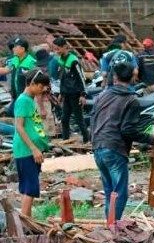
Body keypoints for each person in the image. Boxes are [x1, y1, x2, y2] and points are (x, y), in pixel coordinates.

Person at [91, 61, 154, 220]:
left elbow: (92, 120)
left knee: (109, 192)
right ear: (133, 76)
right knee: (119, 193)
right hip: (114, 148)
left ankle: (109, 226)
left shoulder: (101, 95)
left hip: (98, 146)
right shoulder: (131, 100)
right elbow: (128, 130)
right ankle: (113, 228)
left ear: (115, 77)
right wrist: (152, 139)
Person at [13, 70, 50, 217]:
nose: (44, 89)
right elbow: (19, 126)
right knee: (31, 187)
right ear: (32, 84)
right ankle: (24, 223)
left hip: (30, 149)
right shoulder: (22, 100)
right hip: (26, 150)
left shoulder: (30, 99)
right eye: (41, 86)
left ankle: (28, 223)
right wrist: (34, 148)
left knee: (29, 188)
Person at [52, 37, 88, 142]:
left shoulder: (73, 60)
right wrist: (61, 93)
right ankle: (65, 139)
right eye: (55, 49)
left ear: (65, 47)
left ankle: (86, 139)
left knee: (79, 118)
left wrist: (83, 94)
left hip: (76, 94)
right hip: (66, 94)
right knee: (64, 119)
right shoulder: (60, 60)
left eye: (58, 48)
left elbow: (81, 77)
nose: (56, 51)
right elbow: (62, 78)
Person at [0, 37, 37, 113]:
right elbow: (6, 70)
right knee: (12, 113)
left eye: (15, 47)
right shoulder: (15, 59)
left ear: (22, 49)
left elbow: (37, 81)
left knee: (25, 117)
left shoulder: (31, 62)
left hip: (26, 97)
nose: (13, 49)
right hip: (16, 95)